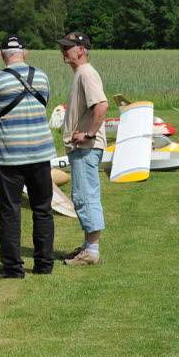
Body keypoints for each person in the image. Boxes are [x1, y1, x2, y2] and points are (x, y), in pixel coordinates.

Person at [0, 34, 58, 279]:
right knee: (43, 209)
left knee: (10, 211)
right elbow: (40, 104)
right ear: (26, 52)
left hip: (10, 154)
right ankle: (44, 264)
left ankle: (13, 268)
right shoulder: (42, 76)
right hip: (41, 151)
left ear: (1, 55)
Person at [56, 32, 108, 266]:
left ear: (81, 49)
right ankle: (87, 246)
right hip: (82, 147)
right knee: (82, 195)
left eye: (68, 47)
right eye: (63, 47)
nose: (63, 51)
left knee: (85, 195)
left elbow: (101, 105)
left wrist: (88, 134)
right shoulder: (81, 73)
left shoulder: (86, 73)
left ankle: (92, 251)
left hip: (86, 147)